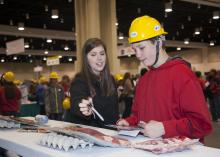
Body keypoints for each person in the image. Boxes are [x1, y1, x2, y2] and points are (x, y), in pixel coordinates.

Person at [117, 15, 212, 142]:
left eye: (141, 47)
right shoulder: (144, 80)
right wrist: (128, 122)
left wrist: (164, 128)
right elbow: (139, 117)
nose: (138, 55)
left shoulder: (183, 75)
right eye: (135, 49)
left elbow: (202, 124)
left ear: (159, 42)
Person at [69, 38, 119, 128]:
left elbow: (115, 110)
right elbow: (76, 102)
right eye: (93, 54)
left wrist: (120, 123)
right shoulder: (79, 81)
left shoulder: (111, 79)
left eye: (102, 54)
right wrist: (84, 108)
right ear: (86, 58)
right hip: (91, 136)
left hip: (112, 134)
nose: (99, 58)